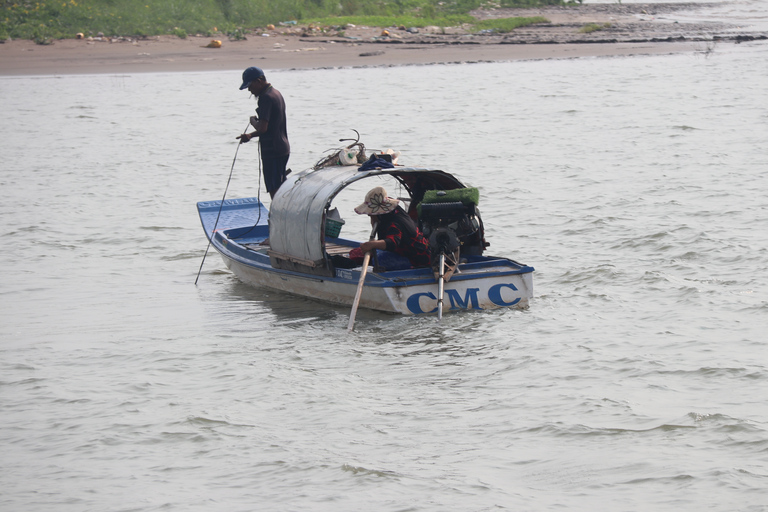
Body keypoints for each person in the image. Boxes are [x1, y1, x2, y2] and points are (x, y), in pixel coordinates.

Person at [235, 66, 290, 199]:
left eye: (250, 85)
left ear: (259, 81)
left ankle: (279, 217)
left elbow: (262, 128)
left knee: (274, 188)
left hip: (273, 150)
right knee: (281, 185)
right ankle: (284, 214)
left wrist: (252, 124)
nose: (249, 90)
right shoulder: (276, 93)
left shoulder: (265, 98)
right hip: (282, 148)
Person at [351, 186, 431, 269]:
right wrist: (374, 219)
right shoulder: (392, 212)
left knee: (379, 260)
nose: (369, 215)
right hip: (400, 252)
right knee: (355, 253)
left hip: (416, 259)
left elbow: (392, 242)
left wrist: (372, 244)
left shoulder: (394, 222)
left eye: (371, 213)